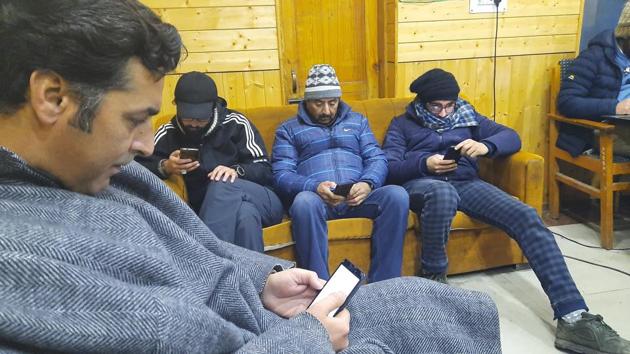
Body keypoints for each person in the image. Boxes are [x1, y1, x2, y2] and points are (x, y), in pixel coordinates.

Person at [0, 1, 503, 352]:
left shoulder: (100, 173)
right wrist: (307, 339)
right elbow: (280, 172)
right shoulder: (21, 256)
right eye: (134, 118)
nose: (149, 144)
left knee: (446, 302)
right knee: (440, 319)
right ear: (52, 98)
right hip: (282, 334)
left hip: (269, 308)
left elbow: (198, 250)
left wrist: (262, 278)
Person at [383, 68, 630, 354]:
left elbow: (511, 137)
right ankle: (434, 279)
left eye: (448, 106)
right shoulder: (401, 124)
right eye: (435, 107)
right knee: (442, 191)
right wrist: (425, 164)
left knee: (526, 215)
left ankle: (573, 317)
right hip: (424, 185)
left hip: (466, 184)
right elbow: (389, 166)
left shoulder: (467, 115)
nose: (443, 113)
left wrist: (485, 146)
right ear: (421, 103)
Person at [272, 64, 409, 283]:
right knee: (303, 202)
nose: (326, 110)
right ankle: (319, 286)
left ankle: (386, 284)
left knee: (397, 195)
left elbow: (376, 158)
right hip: (319, 200)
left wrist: (367, 184)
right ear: (306, 101)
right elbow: (281, 174)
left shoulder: (358, 122)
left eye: (332, 102)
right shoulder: (288, 129)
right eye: (319, 103)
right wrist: (314, 187)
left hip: (358, 196)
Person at [136, 71, 283, 252]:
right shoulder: (168, 132)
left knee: (221, 182)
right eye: (188, 117)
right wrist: (166, 166)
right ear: (177, 106)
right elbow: (136, 166)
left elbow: (265, 170)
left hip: (264, 201)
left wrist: (236, 171)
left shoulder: (236, 123)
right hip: (222, 209)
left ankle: (209, 261)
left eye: (201, 118)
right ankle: (258, 278)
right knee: (246, 217)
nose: (194, 124)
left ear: (213, 107)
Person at [557, 2, 630, 158]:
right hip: (601, 131)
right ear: (626, 33)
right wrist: (616, 107)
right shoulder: (594, 57)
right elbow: (567, 102)